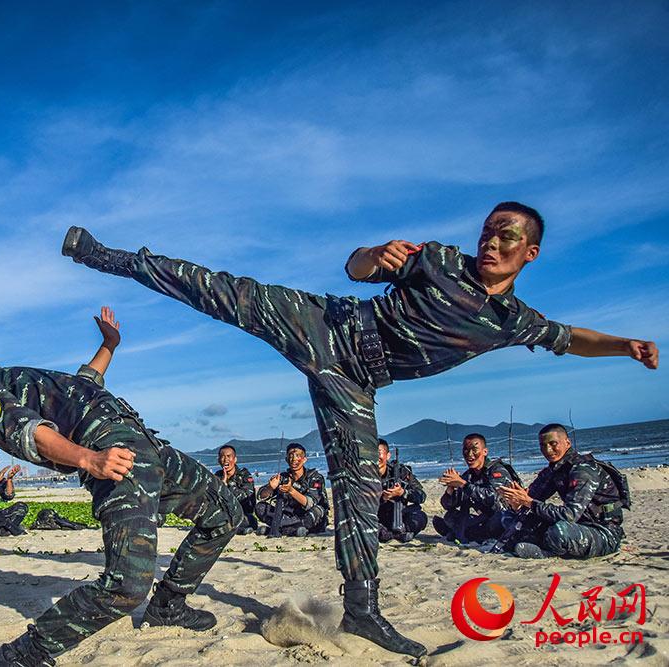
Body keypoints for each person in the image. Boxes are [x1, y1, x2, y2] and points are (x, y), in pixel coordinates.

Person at [61, 201, 659, 658]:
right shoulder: (442, 259)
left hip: (354, 382)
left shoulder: (511, 320)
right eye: (488, 231)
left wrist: (625, 347)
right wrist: (376, 254)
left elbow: (571, 337)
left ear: (530, 252)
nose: (492, 241)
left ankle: (363, 609)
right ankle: (103, 255)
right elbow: (356, 268)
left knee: (358, 490)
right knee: (218, 289)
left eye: (508, 236)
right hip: (326, 324)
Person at [0, 307, 241, 667]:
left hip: (149, 448)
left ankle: (168, 606)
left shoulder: (3, 377)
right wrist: (88, 460)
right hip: (114, 456)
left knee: (226, 513)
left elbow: (84, 387)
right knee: (127, 585)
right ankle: (21, 658)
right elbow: (30, 435)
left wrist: (109, 344)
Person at [497, 424, 628, 559]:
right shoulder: (555, 469)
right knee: (508, 517)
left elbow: (569, 515)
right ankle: (542, 544)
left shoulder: (583, 470)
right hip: (577, 525)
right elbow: (531, 497)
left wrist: (528, 502)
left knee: (559, 531)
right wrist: (516, 502)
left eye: (553, 444)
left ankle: (546, 553)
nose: (548, 450)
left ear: (567, 443)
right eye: (543, 445)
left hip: (603, 531)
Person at [433, 433, 518, 542]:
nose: (470, 454)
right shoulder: (468, 475)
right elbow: (448, 505)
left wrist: (463, 484)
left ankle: (462, 533)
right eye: (466, 450)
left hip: (503, 516)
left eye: (474, 450)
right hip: (484, 518)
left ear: (484, 452)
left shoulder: (497, 470)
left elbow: (492, 497)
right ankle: (467, 532)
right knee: (450, 516)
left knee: (499, 520)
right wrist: (450, 489)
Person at [254, 442, 329, 536]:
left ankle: (281, 529)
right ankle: (293, 530)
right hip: (289, 516)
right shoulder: (283, 478)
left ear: (304, 459)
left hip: (307, 515)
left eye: (298, 456)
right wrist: (270, 488)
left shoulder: (314, 477)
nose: (294, 459)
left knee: (317, 511)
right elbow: (260, 496)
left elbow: (310, 503)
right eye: (291, 456)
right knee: (260, 507)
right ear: (286, 459)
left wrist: (291, 491)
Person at [376, 439, 427, 542]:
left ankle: (398, 533)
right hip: (377, 517)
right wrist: (383, 498)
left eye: (378, 453)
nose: (376, 458)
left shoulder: (401, 472)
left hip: (400, 516)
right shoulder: (365, 474)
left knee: (421, 517)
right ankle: (389, 535)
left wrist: (403, 493)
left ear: (388, 455)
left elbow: (421, 496)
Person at [215, 444, 257, 535]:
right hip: (223, 514)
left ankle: (237, 529)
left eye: (228, 456)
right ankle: (238, 530)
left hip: (243, 513)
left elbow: (246, 498)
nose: (225, 459)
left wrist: (227, 485)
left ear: (235, 459)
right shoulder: (217, 476)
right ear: (219, 460)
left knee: (247, 521)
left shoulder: (244, 474)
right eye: (222, 457)